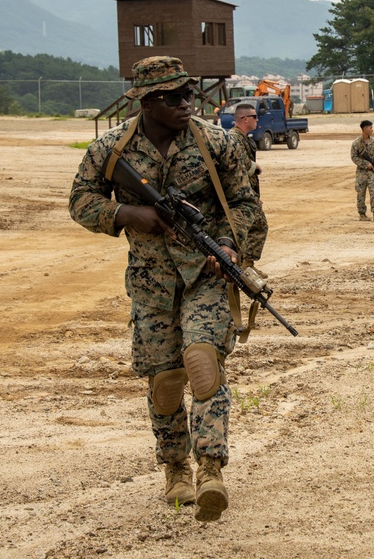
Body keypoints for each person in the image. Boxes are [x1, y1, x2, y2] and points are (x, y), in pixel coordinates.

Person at [69, 56, 257, 523]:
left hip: (207, 276)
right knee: (165, 381)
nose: (185, 104)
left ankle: (211, 468)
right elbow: (80, 200)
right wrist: (129, 215)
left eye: (188, 95)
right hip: (152, 283)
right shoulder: (111, 150)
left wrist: (232, 247)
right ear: (148, 102)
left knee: (203, 362)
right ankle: (176, 470)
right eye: (174, 98)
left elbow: (247, 204)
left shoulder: (217, 143)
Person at [229, 102, 269, 278]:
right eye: (254, 117)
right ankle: (245, 265)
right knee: (258, 226)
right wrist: (255, 168)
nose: (257, 120)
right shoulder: (235, 138)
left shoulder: (242, 137)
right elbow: (239, 167)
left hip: (246, 192)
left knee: (251, 227)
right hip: (241, 193)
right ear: (245, 119)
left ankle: (246, 264)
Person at [350, 119, 374, 222]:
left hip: (372, 172)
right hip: (361, 173)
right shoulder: (356, 143)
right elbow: (354, 157)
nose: (372, 130)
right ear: (364, 129)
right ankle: (362, 214)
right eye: (370, 128)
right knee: (361, 193)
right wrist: (366, 164)